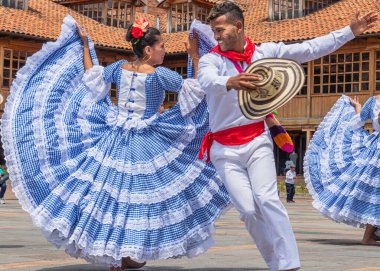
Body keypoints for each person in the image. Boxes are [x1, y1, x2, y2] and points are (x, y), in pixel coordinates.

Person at [1, 16, 231, 270]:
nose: (164, 51)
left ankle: (121, 256)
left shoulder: (120, 67)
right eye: (161, 46)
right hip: (145, 142)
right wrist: (195, 56)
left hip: (113, 138)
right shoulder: (160, 75)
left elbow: (92, 76)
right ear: (147, 49)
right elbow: (196, 90)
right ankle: (125, 254)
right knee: (136, 198)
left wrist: (87, 45)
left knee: (111, 197)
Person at [196, 1, 378, 270]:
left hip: (257, 139)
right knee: (247, 210)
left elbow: (310, 48)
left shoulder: (265, 53)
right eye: (214, 30)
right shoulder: (212, 59)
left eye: (220, 29)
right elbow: (205, 79)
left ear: (238, 26)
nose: (216, 35)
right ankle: (275, 261)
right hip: (224, 148)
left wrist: (349, 32)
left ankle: (288, 265)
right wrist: (228, 82)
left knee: (268, 199)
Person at [304, 95, 380, 246]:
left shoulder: (373, 100)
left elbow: (356, 122)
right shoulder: (374, 101)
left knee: (375, 192)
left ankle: (372, 234)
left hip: (375, 148)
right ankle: (369, 237)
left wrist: (358, 109)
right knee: (376, 193)